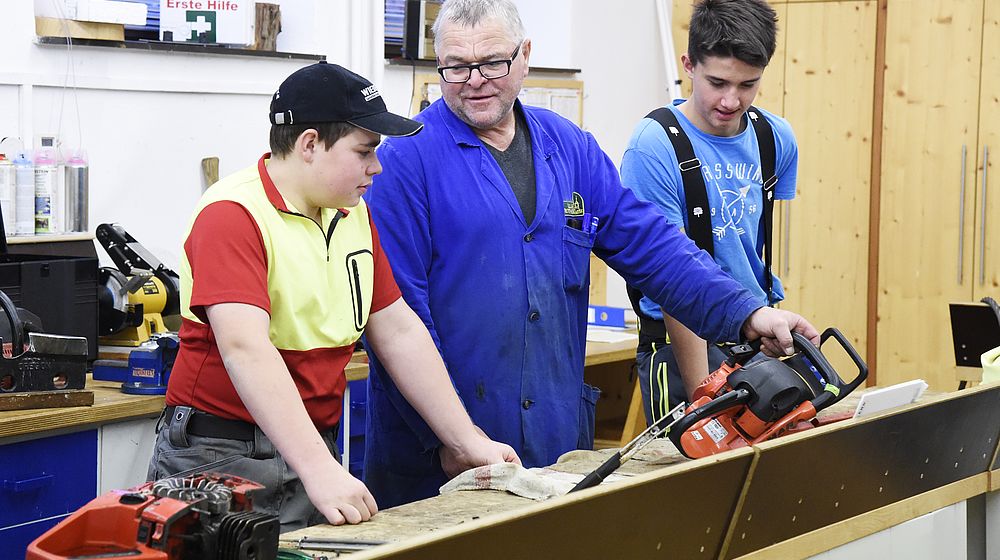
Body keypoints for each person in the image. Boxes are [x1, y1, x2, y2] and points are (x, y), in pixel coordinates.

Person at [363, 0, 818, 508]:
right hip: (439, 467)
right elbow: (398, 321)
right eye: (456, 66)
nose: (475, 80)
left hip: (552, 452)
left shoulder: (570, 148)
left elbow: (653, 247)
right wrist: (450, 437)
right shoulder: (402, 163)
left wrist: (746, 312)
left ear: (525, 55)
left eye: (493, 62)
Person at [146, 61, 519, 532]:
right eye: (364, 151)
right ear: (309, 145)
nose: (376, 167)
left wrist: (465, 440)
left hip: (310, 444)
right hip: (220, 456)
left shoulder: (350, 214)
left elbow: (399, 329)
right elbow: (247, 348)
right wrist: (320, 469)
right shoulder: (232, 215)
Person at [620, 0, 797, 427]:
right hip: (682, 345)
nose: (731, 100)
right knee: (692, 479)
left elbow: (752, 247)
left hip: (755, 335)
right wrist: (704, 392)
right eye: (717, 82)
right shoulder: (654, 145)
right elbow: (668, 277)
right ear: (689, 65)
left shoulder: (776, 138)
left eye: (748, 85)